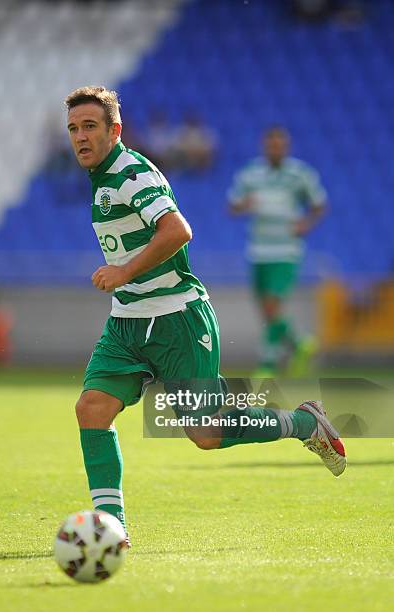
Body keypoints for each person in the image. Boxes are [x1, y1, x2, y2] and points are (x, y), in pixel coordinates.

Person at [65, 88, 346, 542]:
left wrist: (124, 271)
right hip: (128, 321)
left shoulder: (131, 173)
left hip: (177, 319)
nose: (80, 136)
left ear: (115, 130)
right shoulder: (101, 178)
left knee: (207, 432)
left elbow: (178, 230)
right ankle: (110, 530)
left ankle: (305, 422)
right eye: (74, 128)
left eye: (90, 126)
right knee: (91, 409)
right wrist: (126, 282)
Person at [228, 126, 326, 376]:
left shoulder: (300, 174)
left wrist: (305, 223)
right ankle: (299, 343)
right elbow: (232, 206)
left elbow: (319, 204)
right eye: (271, 145)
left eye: (280, 145)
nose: (276, 150)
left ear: (286, 147)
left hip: (285, 250)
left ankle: (267, 365)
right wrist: (244, 205)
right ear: (265, 147)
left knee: (272, 306)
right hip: (258, 250)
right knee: (267, 311)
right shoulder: (251, 174)